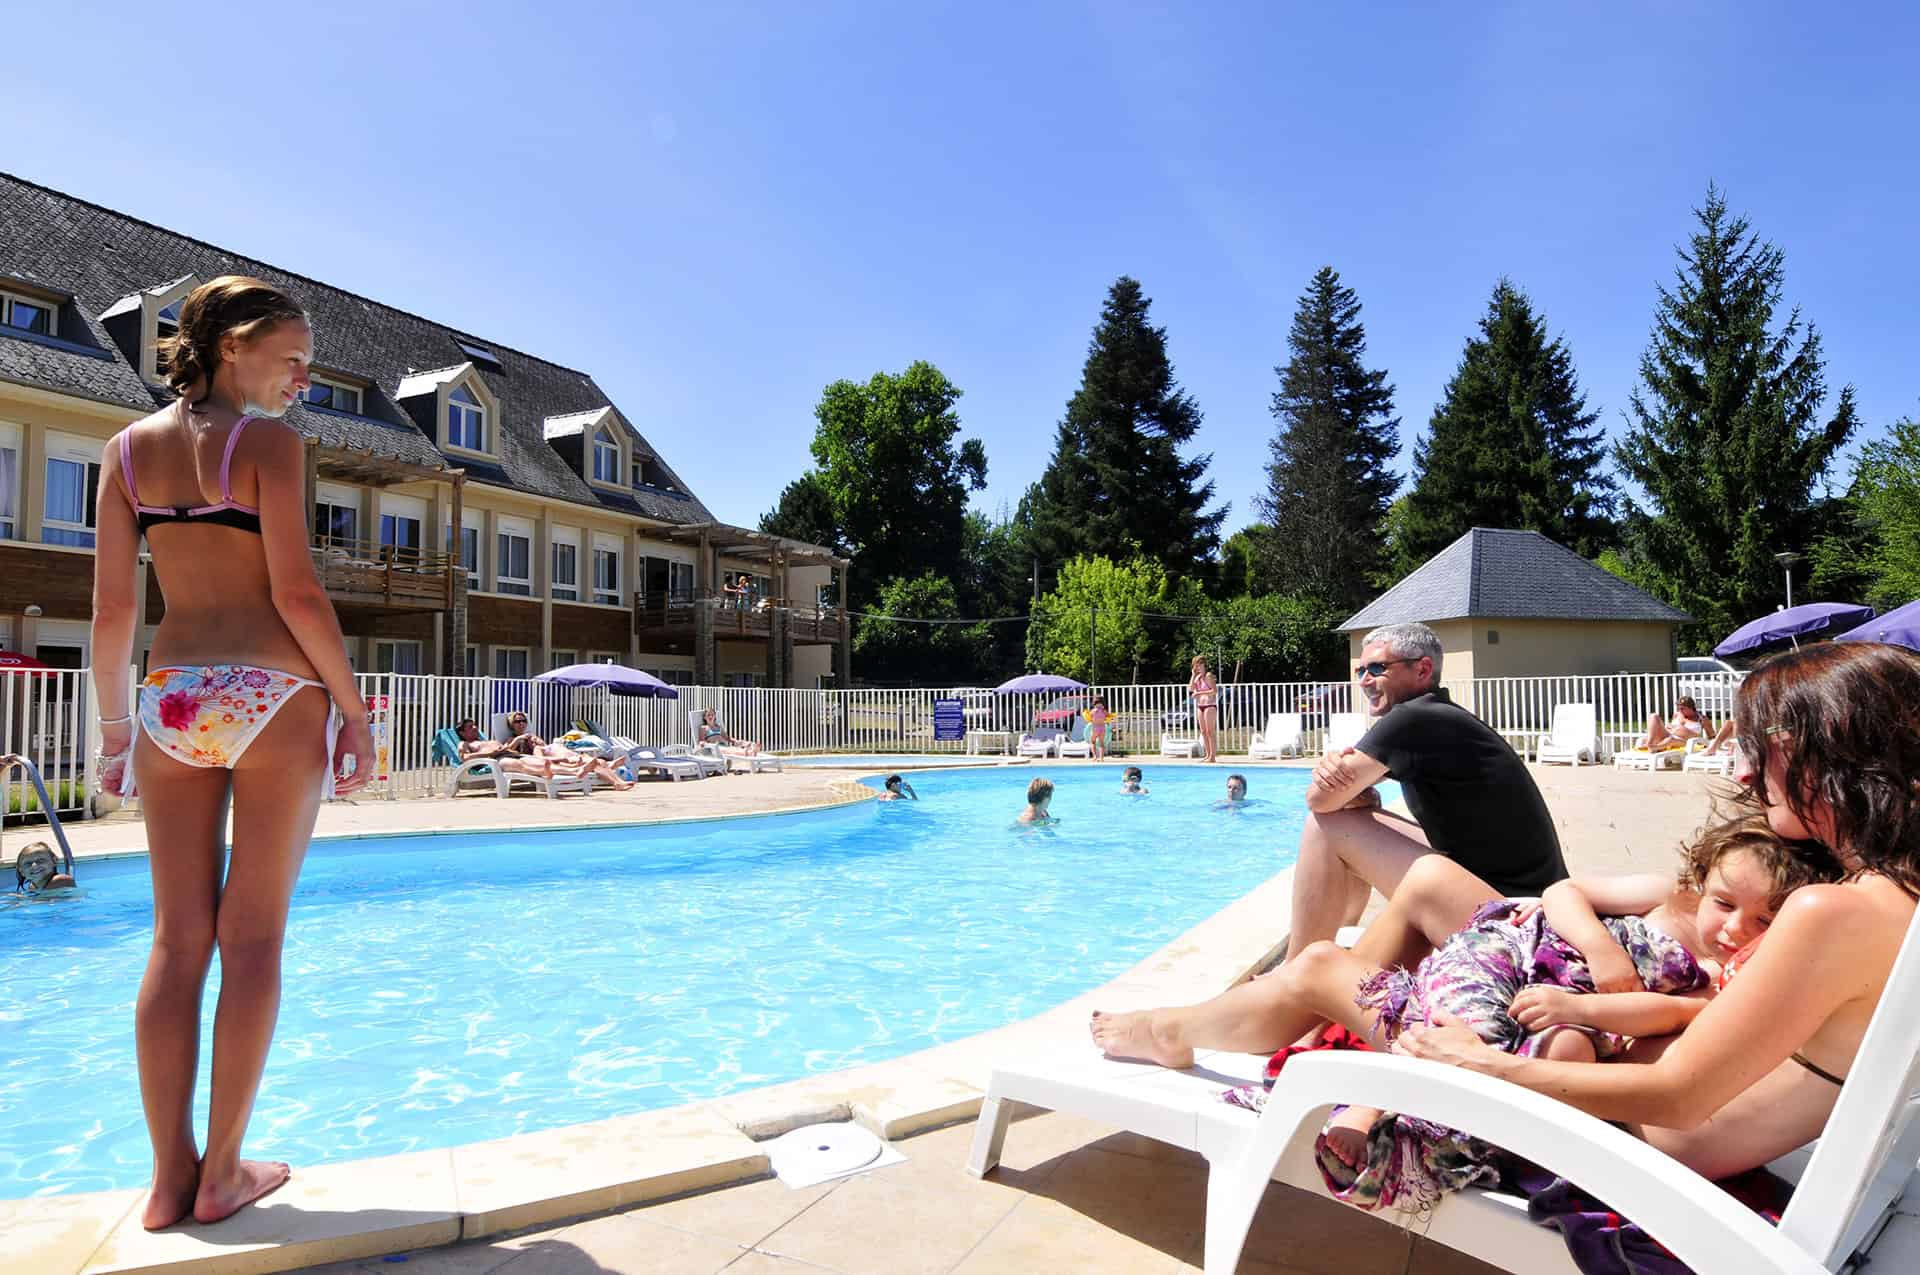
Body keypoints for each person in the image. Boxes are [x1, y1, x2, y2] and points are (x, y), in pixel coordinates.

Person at [1092, 641, 1920, 1194]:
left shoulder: (1829, 912)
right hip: (1608, 1049)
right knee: (1426, 885)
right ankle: (1244, 1027)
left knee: (1315, 967)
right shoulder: (1888, 900)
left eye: (1770, 743)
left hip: (1608, 1107)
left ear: (1833, 758)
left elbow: (1675, 1094)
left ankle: (1178, 1032)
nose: (1750, 765)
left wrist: (1481, 1066)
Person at [90, 276, 375, 1230]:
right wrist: (354, 711)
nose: (303, 377)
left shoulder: (124, 454)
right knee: (249, 941)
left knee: (177, 940)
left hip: (170, 699)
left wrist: (116, 730)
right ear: (232, 346)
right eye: (290, 357)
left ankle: (169, 1181)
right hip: (272, 695)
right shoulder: (270, 447)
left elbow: (114, 611)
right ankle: (221, 1174)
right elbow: (297, 594)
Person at [1318, 812, 1827, 1206]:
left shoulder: (1719, 977)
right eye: (1725, 904)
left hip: (1556, 1011)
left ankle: (1423, 1130)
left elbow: (1666, 1014)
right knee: (1468, 1010)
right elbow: (1565, 890)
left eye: (1763, 922)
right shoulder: (1666, 898)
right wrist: (1599, 946)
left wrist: (1581, 1008)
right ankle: (1375, 1101)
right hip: (1519, 956)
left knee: (1551, 1045)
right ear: (1702, 882)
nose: (1736, 929)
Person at [1284, 622, 1567, 961]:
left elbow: (1320, 800)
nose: (1364, 680)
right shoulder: (1439, 717)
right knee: (1349, 817)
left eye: (1377, 668)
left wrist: (1332, 781)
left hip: (1514, 921)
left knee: (1325, 825)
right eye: (1360, 670)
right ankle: (1332, 947)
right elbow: (1348, 796)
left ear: (1422, 669)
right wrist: (1342, 784)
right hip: (1535, 906)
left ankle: (1299, 969)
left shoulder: (1413, 719)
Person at [501, 712, 631, 790]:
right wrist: (519, 740)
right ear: (512, 724)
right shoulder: (512, 739)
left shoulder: (533, 738)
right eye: (518, 721)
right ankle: (614, 777)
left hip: (554, 757)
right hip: (548, 762)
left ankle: (617, 779)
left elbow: (546, 748)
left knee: (596, 762)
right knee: (594, 763)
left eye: (524, 720)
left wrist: (540, 742)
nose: (522, 723)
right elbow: (507, 750)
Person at [1633, 695, 1708, 752]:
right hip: (1669, 735)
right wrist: (1674, 728)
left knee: (1670, 740)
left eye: (1682, 708)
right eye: (1678, 708)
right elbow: (1669, 727)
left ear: (1691, 707)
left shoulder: (1702, 719)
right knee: (1654, 716)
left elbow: (1712, 736)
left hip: (1685, 741)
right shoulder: (1677, 714)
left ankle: (1654, 747)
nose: (1680, 711)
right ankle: (1650, 744)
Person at [11, 842, 77, 893]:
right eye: (28, 863)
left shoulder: (61, 880)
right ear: (21, 871)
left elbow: (45, 901)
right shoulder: (32, 886)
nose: (34, 866)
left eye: (40, 861)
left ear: (54, 861)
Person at [1189, 656, 1219, 763]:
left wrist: (1199, 693)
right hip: (1200, 706)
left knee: (1210, 731)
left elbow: (1214, 691)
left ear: (1203, 664)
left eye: (1198, 664)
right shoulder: (1197, 678)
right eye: (1195, 665)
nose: (1197, 666)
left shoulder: (1208, 676)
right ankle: (1207, 754)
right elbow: (1191, 689)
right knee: (1203, 731)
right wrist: (1193, 675)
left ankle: (1212, 756)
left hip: (1210, 705)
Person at [1084, 697, 1110, 761]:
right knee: (1101, 743)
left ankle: (1095, 756)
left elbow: (1088, 718)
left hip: (1095, 728)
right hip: (1102, 728)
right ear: (1103, 704)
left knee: (1092, 742)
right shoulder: (1104, 711)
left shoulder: (1093, 711)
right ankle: (1101, 758)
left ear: (1094, 704)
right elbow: (1109, 717)